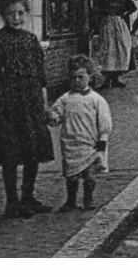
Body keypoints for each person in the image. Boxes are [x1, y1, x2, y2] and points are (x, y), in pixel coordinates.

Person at [0, 0, 56, 219]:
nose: (16, 18)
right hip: (7, 105)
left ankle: (28, 197)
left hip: (31, 103)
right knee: (10, 154)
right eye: (11, 13)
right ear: (3, 14)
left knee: (32, 152)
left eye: (21, 13)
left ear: (27, 14)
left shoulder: (31, 40)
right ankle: (12, 202)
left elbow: (41, 77)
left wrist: (44, 105)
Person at [49, 55, 112, 212]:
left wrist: (102, 139)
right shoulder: (65, 99)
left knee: (89, 176)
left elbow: (104, 121)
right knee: (71, 176)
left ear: (89, 77)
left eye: (81, 77)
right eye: (73, 77)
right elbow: (56, 116)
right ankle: (71, 201)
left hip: (89, 144)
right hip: (70, 144)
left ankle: (88, 200)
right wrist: (51, 116)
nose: (77, 81)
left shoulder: (96, 100)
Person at [91, 0, 135, 88]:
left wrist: (124, 13)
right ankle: (107, 79)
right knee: (107, 49)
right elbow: (97, 10)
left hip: (119, 24)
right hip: (107, 24)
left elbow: (132, 8)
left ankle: (116, 78)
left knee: (120, 49)